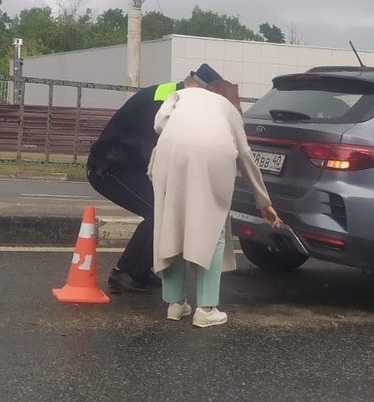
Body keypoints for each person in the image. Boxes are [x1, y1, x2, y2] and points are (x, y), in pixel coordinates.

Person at [150, 76, 281, 328]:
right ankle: (206, 309)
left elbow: (159, 124)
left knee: (171, 224)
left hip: (169, 151)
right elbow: (245, 156)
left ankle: (175, 304)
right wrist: (263, 201)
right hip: (213, 153)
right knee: (213, 228)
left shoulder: (183, 95)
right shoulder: (229, 109)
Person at [85, 64, 225, 294]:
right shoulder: (161, 101)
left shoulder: (181, 102)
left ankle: (141, 270)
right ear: (192, 85)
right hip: (110, 168)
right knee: (158, 212)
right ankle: (124, 273)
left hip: (133, 167)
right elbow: (150, 150)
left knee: (166, 211)